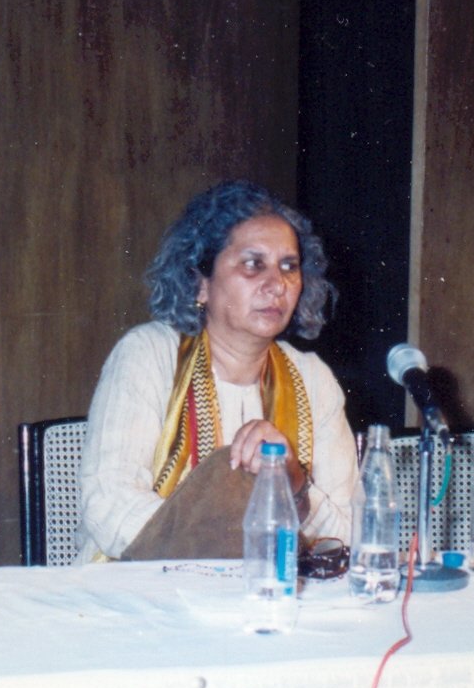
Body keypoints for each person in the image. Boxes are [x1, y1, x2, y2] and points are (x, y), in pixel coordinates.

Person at [78, 180, 358, 563]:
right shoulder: (149, 354)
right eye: (253, 264)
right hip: (140, 586)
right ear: (200, 283)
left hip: (266, 590)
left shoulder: (313, 379)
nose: (277, 285)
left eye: (289, 267)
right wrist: (226, 564)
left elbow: (347, 536)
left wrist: (294, 483)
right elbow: (110, 505)